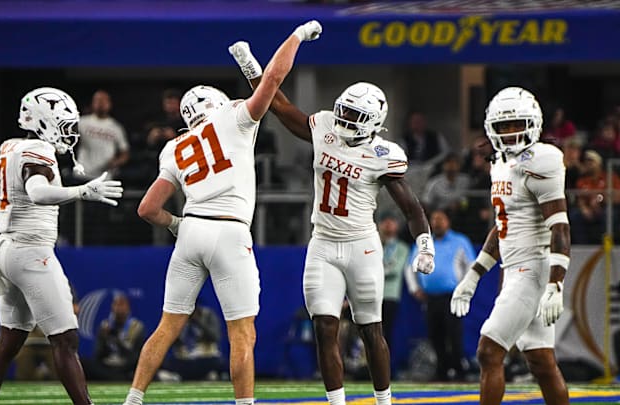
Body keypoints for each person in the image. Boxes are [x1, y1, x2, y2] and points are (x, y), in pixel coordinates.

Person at [123, 20, 323, 405]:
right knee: (242, 332)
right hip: (229, 231)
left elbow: (148, 208)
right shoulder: (233, 119)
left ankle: (133, 399)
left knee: (167, 325)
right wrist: (296, 37)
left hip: (192, 231)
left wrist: (176, 223)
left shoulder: (175, 146)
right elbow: (274, 81)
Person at [231, 44, 435, 405]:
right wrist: (251, 65)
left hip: (362, 246)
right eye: (343, 112)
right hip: (323, 243)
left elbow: (411, 205)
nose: (343, 121)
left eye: (354, 116)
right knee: (325, 327)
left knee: (371, 330)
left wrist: (424, 243)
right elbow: (276, 104)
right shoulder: (325, 127)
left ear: (373, 123)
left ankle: (384, 402)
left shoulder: (382, 155)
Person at [0, 87, 124, 405]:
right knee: (66, 338)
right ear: (43, 121)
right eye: (64, 124)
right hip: (30, 251)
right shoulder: (38, 150)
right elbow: (38, 192)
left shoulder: (11, 146)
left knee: (9, 340)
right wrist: (81, 191)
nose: (69, 132)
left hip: (7, 248)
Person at [450, 87, 571, 405]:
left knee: (488, 351)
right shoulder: (499, 164)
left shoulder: (542, 160)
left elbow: (559, 225)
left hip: (533, 268)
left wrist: (555, 283)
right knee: (541, 362)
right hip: (516, 268)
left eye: (516, 124)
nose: (510, 132)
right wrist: (474, 274)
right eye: (503, 126)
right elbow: (504, 227)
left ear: (533, 124)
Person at [405, 209, 475, 381]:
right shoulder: (424, 244)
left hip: (452, 296)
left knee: (454, 334)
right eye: (433, 219)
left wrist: (465, 289)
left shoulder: (460, 241)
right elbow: (410, 267)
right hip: (431, 298)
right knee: (435, 334)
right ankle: (442, 370)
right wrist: (415, 289)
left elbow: (471, 265)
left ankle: (459, 369)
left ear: (448, 221)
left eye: (440, 219)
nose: (436, 223)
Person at [83, 292, 145, 381]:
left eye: (122, 305)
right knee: (85, 363)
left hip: (126, 366)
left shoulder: (137, 327)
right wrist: (104, 338)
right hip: (108, 365)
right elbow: (98, 355)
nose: (119, 308)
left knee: (138, 366)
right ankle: (116, 378)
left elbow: (135, 356)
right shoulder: (105, 326)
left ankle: (117, 377)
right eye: (116, 304)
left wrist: (116, 340)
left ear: (128, 308)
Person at [76, 90, 129, 180]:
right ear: (92, 103)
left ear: (109, 104)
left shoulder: (116, 127)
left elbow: (125, 153)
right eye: (97, 100)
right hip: (82, 174)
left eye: (103, 101)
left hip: (104, 177)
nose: (100, 104)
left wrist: (117, 162)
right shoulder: (82, 123)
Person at [376, 212, 409, 350]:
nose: (388, 225)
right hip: (370, 295)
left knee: (385, 333)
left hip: (389, 295)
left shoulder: (402, 248)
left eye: (391, 221)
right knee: (370, 333)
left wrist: (375, 270)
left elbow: (394, 271)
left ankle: (385, 369)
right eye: (384, 221)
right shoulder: (373, 245)